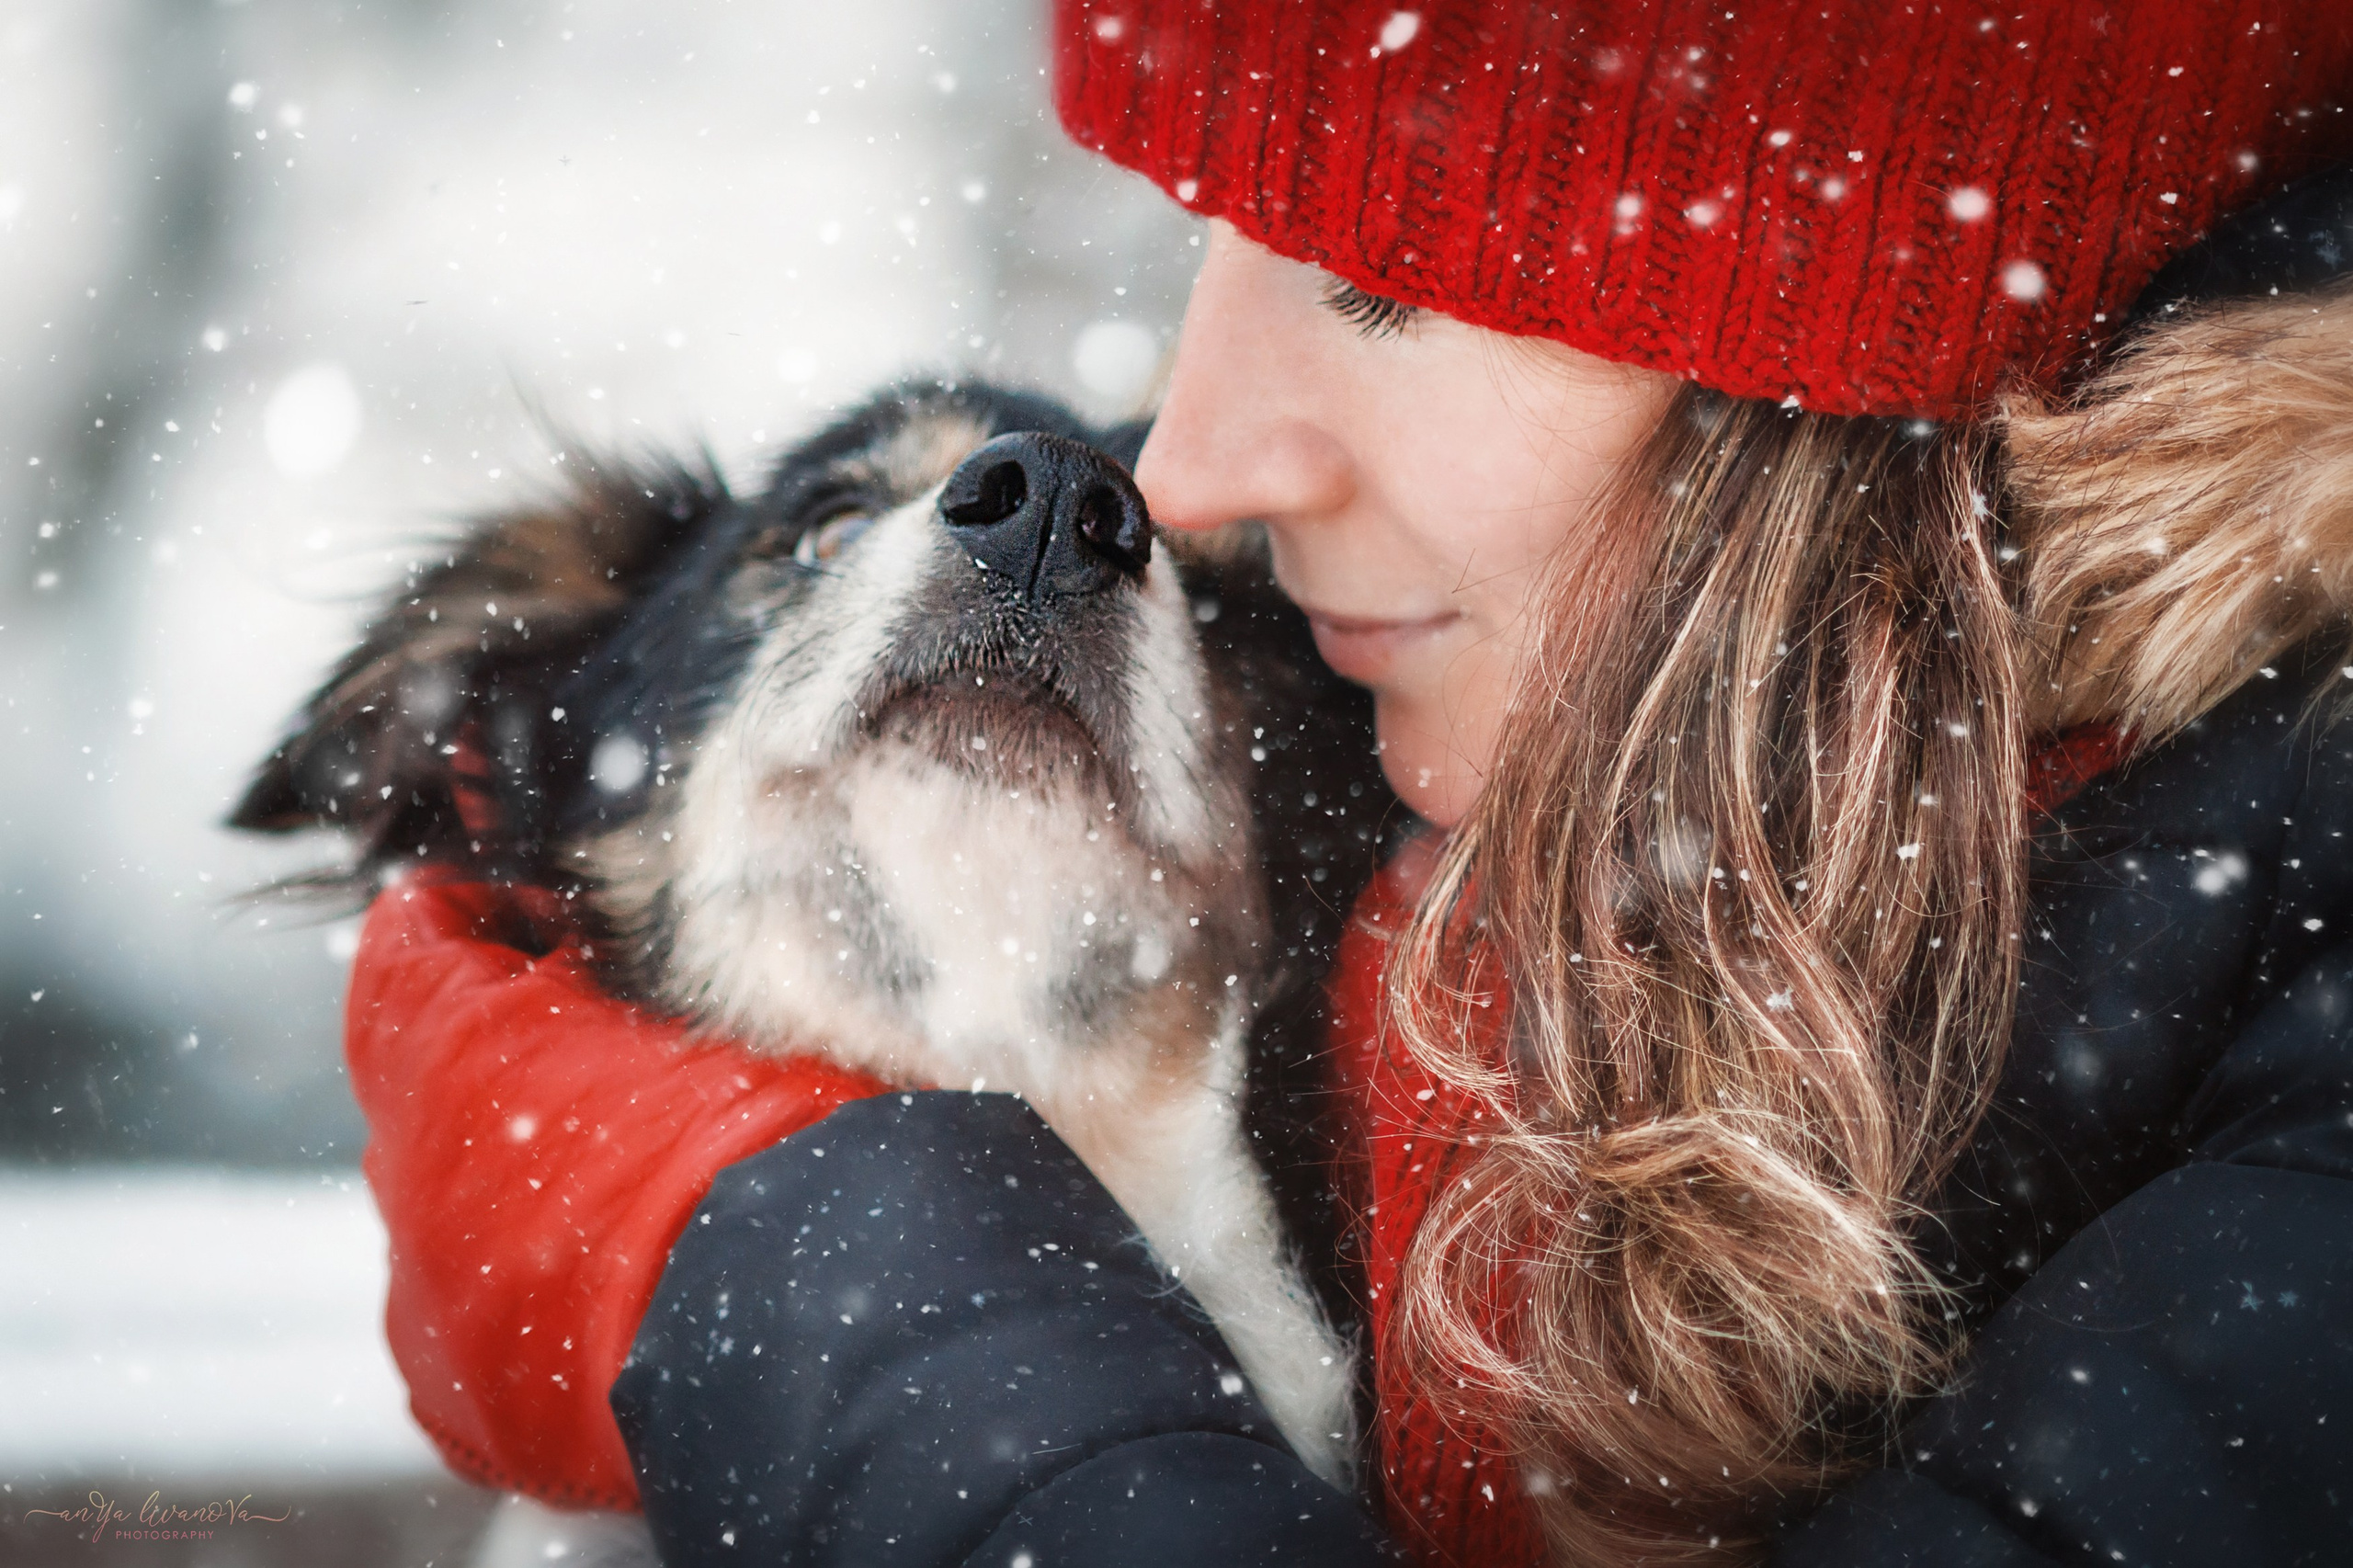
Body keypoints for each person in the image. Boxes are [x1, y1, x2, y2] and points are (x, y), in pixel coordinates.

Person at [338, 2, 2353, 1563]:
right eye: (1205, 247)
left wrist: (790, 1242)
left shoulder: (2288, 956)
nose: (1176, 480)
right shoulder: (1490, 677)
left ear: (1845, 353)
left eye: (1384, 284)